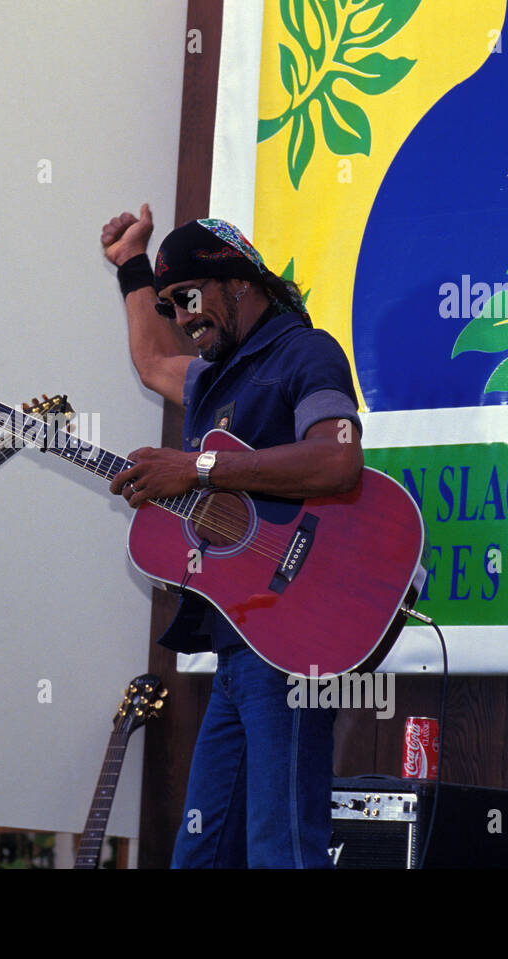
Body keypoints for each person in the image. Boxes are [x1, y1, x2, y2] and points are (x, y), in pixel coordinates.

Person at [100, 205, 363, 868]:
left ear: (238, 282)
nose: (182, 318)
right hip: (238, 651)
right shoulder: (213, 374)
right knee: (201, 854)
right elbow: (151, 356)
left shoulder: (305, 352)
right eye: (172, 305)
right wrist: (134, 262)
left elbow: (338, 459)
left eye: (188, 296)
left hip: (291, 643)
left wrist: (197, 466)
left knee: (284, 850)